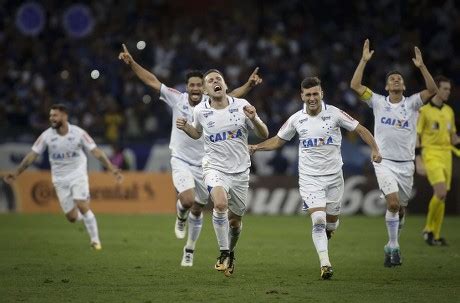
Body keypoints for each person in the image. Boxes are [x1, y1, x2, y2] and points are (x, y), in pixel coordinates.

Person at [118, 44, 262, 267]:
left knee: (199, 207)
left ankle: (189, 249)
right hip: (182, 159)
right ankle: (181, 216)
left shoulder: (210, 104)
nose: (195, 88)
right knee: (187, 200)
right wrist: (132, 63)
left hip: (204, 162)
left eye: (198, 84)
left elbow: (233, 96)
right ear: (188, 88)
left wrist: (249, 86)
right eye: (192, 85)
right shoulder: (177, 98)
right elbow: (152, 81)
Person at [249, 77, 381, 279]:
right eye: (308, 94)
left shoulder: (335, 114)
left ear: (322, 94)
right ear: (302, 95)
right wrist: (257, 147)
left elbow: (360, 129)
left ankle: (329, 230)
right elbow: (278, 140)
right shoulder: (296, 119)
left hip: (335, 176)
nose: (312, 98)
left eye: (315, 94)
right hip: (310, 178)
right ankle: (325, 263)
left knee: (331, 222)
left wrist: (374, 148)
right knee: (318, 219)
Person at [350, 39, 438, 267]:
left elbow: (432, 90)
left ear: (404, 86)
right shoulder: (378, 102)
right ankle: (395, 246)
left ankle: (390, 244)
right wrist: (364, 60)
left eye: (399, 79)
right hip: (384, 161)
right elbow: (356, 86)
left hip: (406, 164)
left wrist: (421, 66)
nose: (396, 80)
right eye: (392, 79)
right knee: (392, 204)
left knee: (400, 211)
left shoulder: (412, 104)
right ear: (387, 87)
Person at [177, 69, 269, 277]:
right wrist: (185, 128)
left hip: (240, 171)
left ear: (226, 85)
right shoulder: (200, 110)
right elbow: (197, 132)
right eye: (210, 81)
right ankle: (223, 252)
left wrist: (254, 119)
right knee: (219, 204)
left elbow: (264, 133)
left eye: (218, 78)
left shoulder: (242, 105)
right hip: (214, 167)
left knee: (235, 222)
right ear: (206, 90)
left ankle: (231, 251)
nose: (215, 82)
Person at [3, 104, 123, 250]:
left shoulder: (78, 133)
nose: (51, 118)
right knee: (72, 218)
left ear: (64, 116)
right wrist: (16, 173)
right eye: (50, 116)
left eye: (55, 115)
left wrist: (111, 168)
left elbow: (96, 151)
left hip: (78, 174)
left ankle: (95, 241)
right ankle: (85, 215)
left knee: (81, 204)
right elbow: (32, 156)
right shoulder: (47, 136)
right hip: (60, 179)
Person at [416, 75, 459, 246]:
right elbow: (416, 136)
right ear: (437, 89)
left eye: (449, 89)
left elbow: (453, 137)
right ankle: (427, 228)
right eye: (445, 88)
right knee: (440, 192)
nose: (448, 92)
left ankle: (436, 234)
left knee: (442, 196)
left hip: (447, 155)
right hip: (431, 154)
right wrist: (418, 159)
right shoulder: (424, 111)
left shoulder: (449, 111)